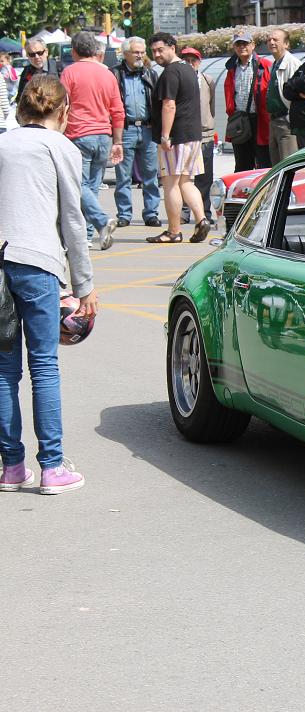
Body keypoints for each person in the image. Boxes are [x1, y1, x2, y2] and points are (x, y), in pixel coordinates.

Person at [0, 75, 98, 495]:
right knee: (43, 366)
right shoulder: (61, 147)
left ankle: (11, 467)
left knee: (4, 372)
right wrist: (84, 284)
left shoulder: (3, 143)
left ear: (22, 107)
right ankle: (52, 468)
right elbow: (73, 220)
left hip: (1, 261)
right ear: (63, 110)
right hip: (38, 264)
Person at [61, 31, 123, 251]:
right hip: (103, 135)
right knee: (92, 188)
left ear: (74, 51)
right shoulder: (107, 74)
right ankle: (91, 233)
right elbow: (117, 110)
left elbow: (62, 105)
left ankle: (100, 222)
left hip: (79, 135)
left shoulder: (69, 72)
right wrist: (117, 141)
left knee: (78, 185)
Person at [148, 32, 210, 244]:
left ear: (172, 48)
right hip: (192, 135)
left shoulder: (171, 72)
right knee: (186, 181)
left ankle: (173, 231)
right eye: (154, 51)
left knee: (171, 183)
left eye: (160, 50)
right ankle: (201, 220)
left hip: (176, 137)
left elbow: (169, 105)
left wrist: (165, 135)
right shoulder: (188, 69)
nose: (157, 54)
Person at [111, 36, 161, 229]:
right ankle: (124, 214)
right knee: (123, 176)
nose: (140, 55)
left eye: (142, 52)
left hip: (147, 129)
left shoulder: (150, 74)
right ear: (125, 54)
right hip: (126, 129)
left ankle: (151, 213)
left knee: (151, 174)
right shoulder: (115, 74)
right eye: (136, 52)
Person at [179, 47, 217, 225]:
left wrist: (208, 124)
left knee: (205, 177)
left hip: (205, 134)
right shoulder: (178, 79)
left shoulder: (207, 80)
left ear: (199, 62)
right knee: (184, 177)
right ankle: (184, 212)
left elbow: (211, 106)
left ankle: (204, 213)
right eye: (185, 60)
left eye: (193, 60)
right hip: (185, 134)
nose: (190, 63)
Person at [223, 31, 270, 171]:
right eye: (238, 44)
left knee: (263, 162)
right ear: (234, 47)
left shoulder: (264, 65)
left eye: (245, 43)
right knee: (242, 165)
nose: (242, 47)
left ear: (253, 45)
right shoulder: (231, 68)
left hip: (260, 120)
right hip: (240, 120)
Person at [266, 29, 301, 164]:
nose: (271, 42)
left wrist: (290, 118)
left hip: (286, 122)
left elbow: (298, 94)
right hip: (274, 121)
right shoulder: (274, 64)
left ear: (286, 44)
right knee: (276, 167)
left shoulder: (293, 64)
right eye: (269, 40)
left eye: (275, 40)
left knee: (288, 165)